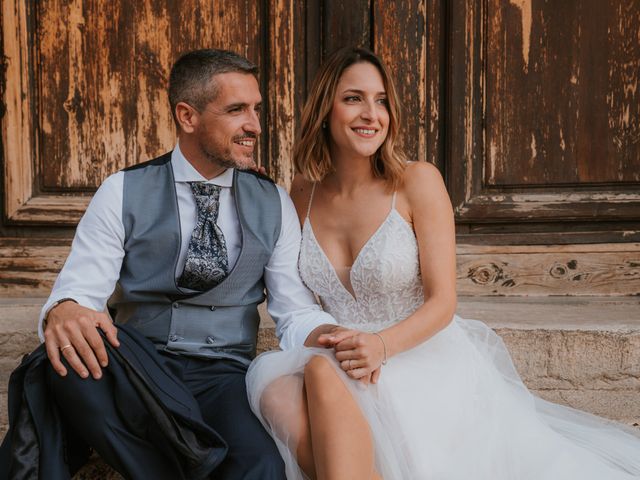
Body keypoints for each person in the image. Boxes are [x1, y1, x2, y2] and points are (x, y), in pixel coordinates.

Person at [245, 46, 640, 479]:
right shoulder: (303, 191)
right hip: (344, 351)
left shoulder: (417, 181)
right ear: (325, 109)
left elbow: (443, 302)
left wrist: (381, 346)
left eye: (381, 102)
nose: (371, 114)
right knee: (278, 391)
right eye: (353, 98)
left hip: (413, 354)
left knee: (322, 374)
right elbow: (297, 297)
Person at [19, 49, 346, 479]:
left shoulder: (274, 202)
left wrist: (330, 334)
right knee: (64, 366)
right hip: (141, 371)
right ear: (187, 116)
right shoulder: (122, 190)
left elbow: (294, 311)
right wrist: (65, 307)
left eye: (256, 109)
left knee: (262, 465)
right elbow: (81, 288)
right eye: (236, 110)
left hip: (225, 374)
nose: (255, 125)